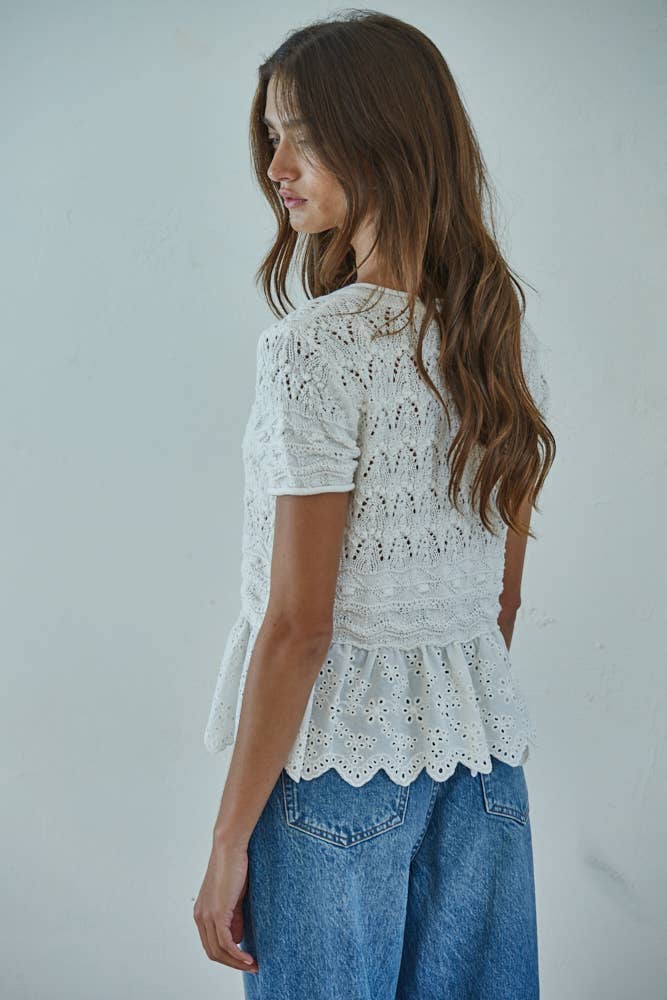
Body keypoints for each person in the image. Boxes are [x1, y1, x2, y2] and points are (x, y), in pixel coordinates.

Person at [193, 11, 556, 999]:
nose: (276, 166)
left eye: (304, 136)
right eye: (272, 136)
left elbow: (298, 626)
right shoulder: (492, 337)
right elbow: (499, 602)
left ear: (385, 139)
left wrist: (227, 844)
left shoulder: (315, 347)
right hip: (480, 771)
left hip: (334, 776)